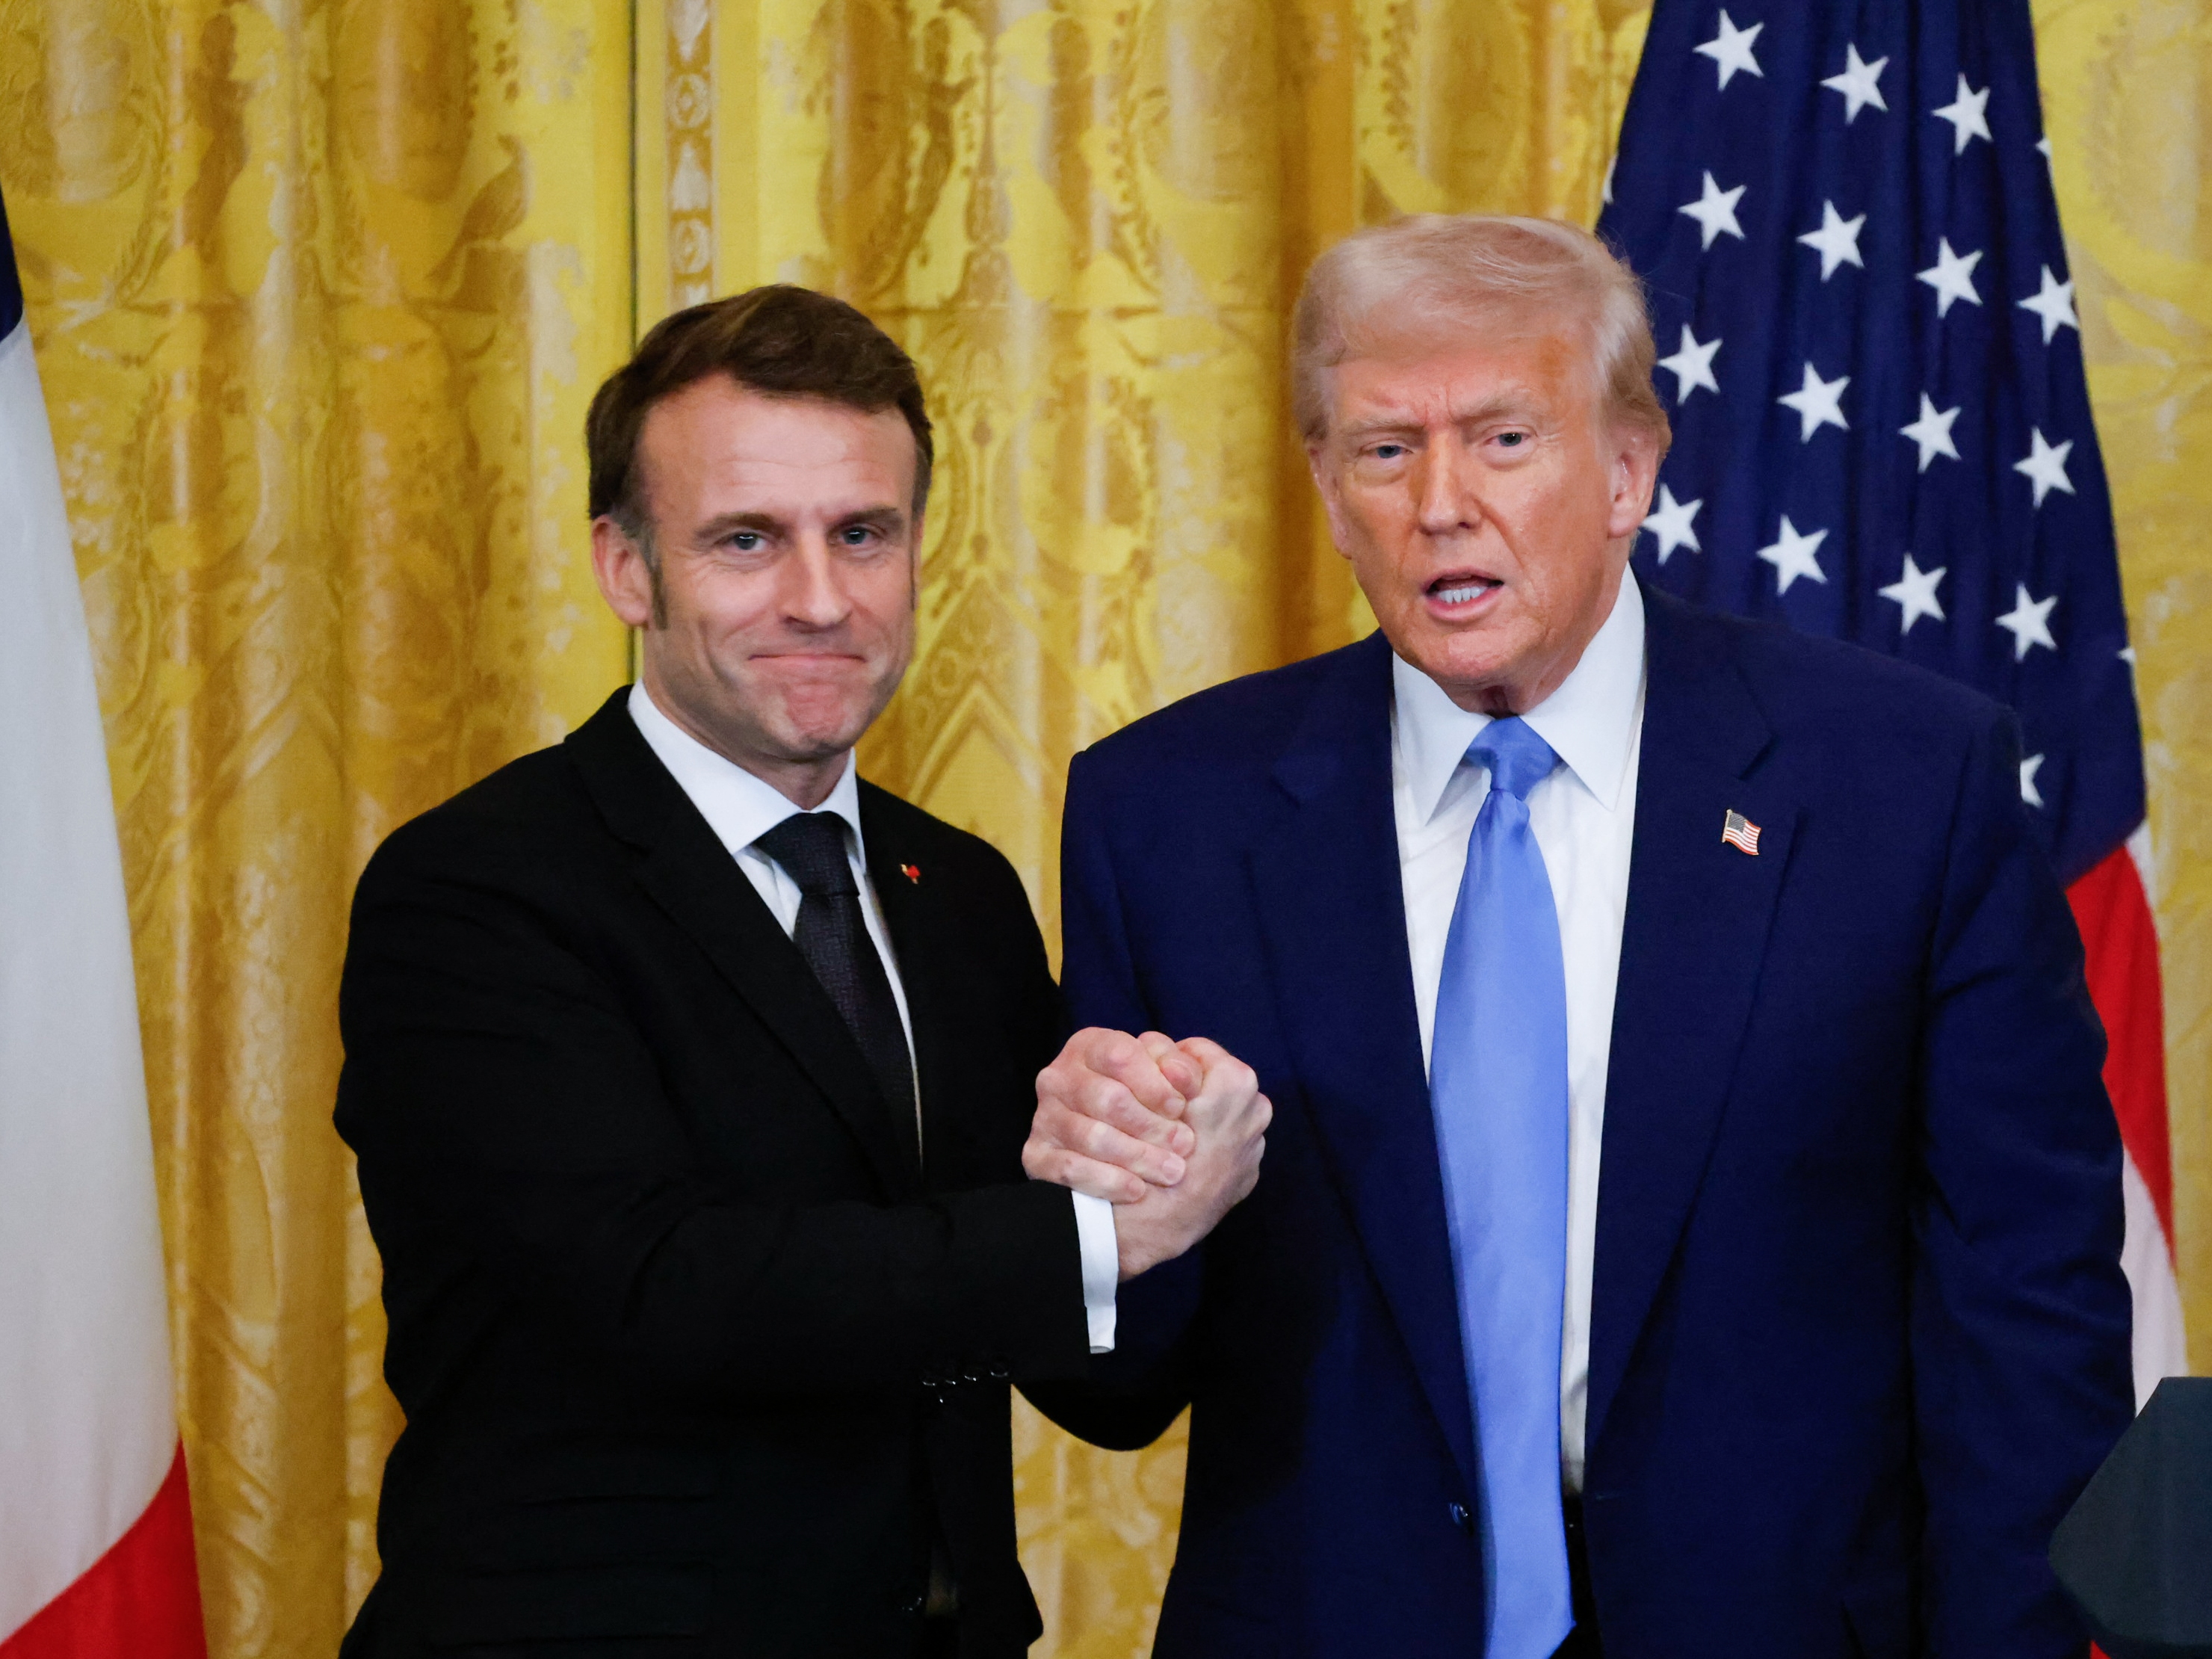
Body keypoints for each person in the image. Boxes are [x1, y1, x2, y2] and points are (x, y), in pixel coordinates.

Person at [1021, 216, 2134, 1659]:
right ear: (1324, 486)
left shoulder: (1903, 784)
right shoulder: (1167, 813)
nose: (1439, 504)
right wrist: (1103, 1227)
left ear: (1626, 472)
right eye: (1383, 450)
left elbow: (2026, 1311)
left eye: (1502, 440)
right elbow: (1115, 1388)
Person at [333, 285, 1268, 1659]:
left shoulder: (956, 890)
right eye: (747, 540)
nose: (821, 599)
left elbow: (1097, 1379)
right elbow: (661, 1291)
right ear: (626, 568)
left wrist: (1165, 1159)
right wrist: (1097, 1234)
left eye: (864, 535)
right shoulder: (477, 890)